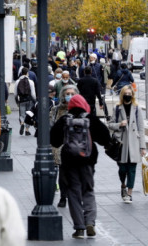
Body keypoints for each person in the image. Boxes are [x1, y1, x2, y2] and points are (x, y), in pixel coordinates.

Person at [50, 95, 110, 239]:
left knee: (73, 193)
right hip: (87, 162)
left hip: (70, 163)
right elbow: (105, 138)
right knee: (88, 191)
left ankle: (79, 228)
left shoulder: (65, 119)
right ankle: (90, 222)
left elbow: (54, 140)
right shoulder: (90, 119)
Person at [108, 85, 146, 203]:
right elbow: (110, 124)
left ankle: (129, 193)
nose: (128, 95)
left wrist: (142, 146)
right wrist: (120, 124)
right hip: (122, 143)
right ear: (122, 94)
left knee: (132, 169)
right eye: (126, 93)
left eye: (130, 93)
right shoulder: (117, 108)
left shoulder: (137, 108)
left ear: (132, 95)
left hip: (134, 143)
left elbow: (141, 128)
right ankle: (123, 185)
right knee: (122, 169)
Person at [49, 85, 79, 208]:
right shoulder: (56, 110)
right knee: (62, 173)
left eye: (72, 94)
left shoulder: (80, 110)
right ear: (62, 95)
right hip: (60, 146)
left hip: (76, 146)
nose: (69, 96)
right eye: (67, 94)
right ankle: (63, 196)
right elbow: (51, 126)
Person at [14, 67, 36, 136]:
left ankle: (22, 123)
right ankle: (27, 130)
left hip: (21, 100)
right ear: (27, 73)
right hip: (29, 100)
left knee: (22, 114)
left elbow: (15, 94)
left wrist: (17, 101)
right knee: (29, 114)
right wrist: (35, 100)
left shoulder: (17, 81)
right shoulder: (31, 82)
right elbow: (33, 93)